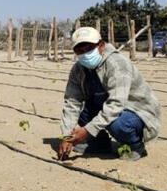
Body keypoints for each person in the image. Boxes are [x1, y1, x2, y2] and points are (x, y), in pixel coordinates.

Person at [58, 27, 161, 161]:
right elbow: (72, 101)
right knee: (82, 110)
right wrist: (67, 136)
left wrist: (88, 131)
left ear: (101, 46)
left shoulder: (117, 64)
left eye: (89, 49)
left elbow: (116, 104)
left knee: (117, 123)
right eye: (79, 51)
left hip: (135, 110)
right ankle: (99, 144)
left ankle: (135, 146)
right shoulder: (78, 69)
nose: (85, 54)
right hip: (104, 104)